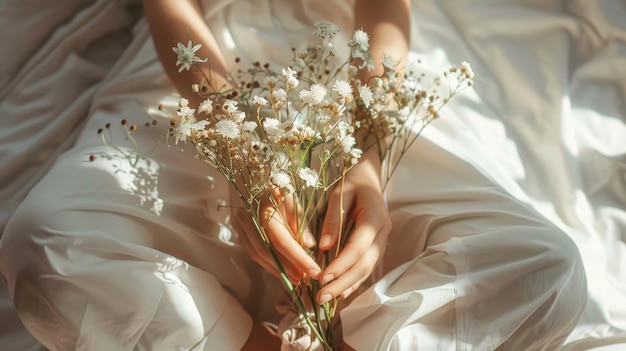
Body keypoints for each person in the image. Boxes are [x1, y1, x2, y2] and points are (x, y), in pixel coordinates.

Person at [0, 0, 587, 350]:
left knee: (546, 265)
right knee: (42, 240)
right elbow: (172, 10)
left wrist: (365, 159)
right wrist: (243, 162)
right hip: (194, 88)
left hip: (347, 84)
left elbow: (384, 12)